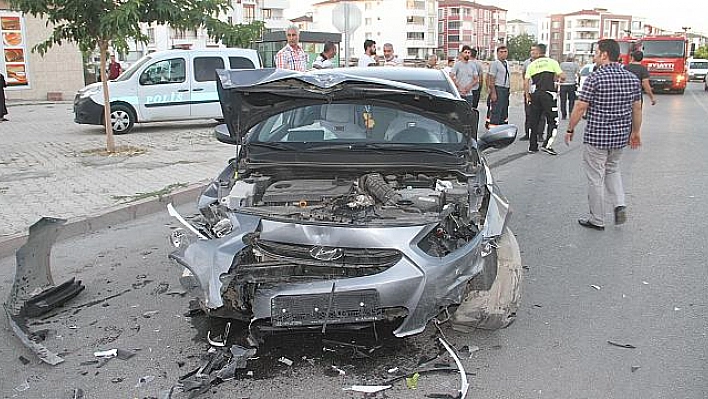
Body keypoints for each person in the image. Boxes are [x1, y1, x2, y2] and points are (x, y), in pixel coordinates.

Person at [565, 38, 642, 230]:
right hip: (619, 137)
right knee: (613, 169)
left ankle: (597, 219)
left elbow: (581, 106)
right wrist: (636, 132)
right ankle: (619, 204)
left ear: (604, 54)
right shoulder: (631, 78)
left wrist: (570, 128)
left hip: (597, 137)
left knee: (595, 176)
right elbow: (637, 109)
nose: (595, 57)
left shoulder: (595, 78)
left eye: (596, 53)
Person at [524, 43, 565, 155]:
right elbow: (562, 76)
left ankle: (532, 146)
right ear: (545, 52)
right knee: (553, 121)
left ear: (538, 52)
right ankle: (547, 144)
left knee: (534, 121)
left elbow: (526, 81)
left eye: (534, 51)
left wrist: (527, 95)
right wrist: (558, 81)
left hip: (535, 95)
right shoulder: (552, 62)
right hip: (548, 94)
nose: (532, 53)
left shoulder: (531, 65)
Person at [520, 46, 542, 141]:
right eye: (531, 50)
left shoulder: (543, 63)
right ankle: (527, 134)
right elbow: (523, 75)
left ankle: (539, 134)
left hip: (540, 91)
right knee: (528, 113)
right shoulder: (526, 63)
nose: (532, 52)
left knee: (541, 115)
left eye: (535, 50)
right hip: (529, 91)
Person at [486, 46, 510, 129]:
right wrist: (493, 92)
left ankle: (502, 128)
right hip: (498, 88)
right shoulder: (495, 64)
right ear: (497, 53)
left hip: (506, 89)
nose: (503, 54)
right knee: (496, 110)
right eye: (501, 52)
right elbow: (491, 78)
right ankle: (493, 130)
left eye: (505, 52)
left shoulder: (507, 63)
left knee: (504, 110)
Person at [450, 45, 480, 109]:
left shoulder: (472, 65)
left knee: (468, 111)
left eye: (468, 53)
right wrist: (459, 86)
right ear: (462, 53)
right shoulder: (457, 64)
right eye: (465, 52)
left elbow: (476, 79)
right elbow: (451, 77)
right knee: (459, 111)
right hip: (459, 93)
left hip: (469, 93)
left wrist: (469, 86)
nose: (467, 54)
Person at [559, 54, 580, 119]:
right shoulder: (575, 65)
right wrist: (578, 82)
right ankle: (571, 113)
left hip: (563, 84)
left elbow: (559, 73)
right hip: (572, 84)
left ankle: (563, 114)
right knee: (571, 100)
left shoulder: (562, 64)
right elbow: (578, 74)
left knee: (563, 100)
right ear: (573, 59)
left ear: (567, 58)